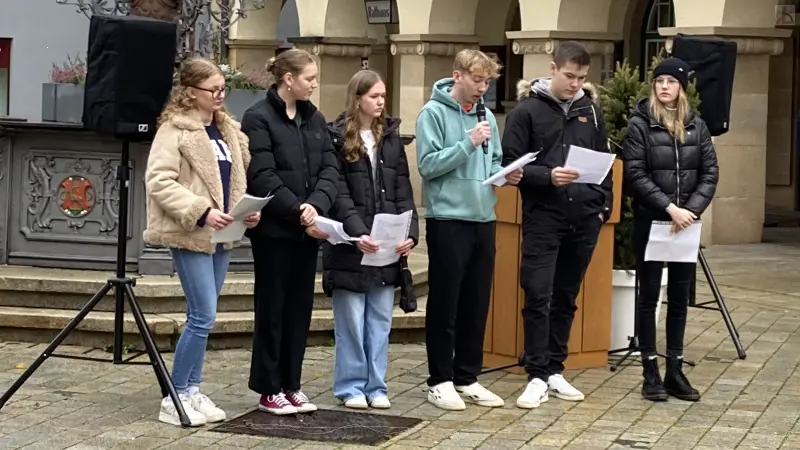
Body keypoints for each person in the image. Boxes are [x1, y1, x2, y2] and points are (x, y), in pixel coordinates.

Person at [144, 56, 260, 426]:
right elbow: (159, 180)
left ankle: (192, 389)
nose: (220, 95)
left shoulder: (229, 130)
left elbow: (233, 181)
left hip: (223, 233)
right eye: (214, 90)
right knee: (202, 315)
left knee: (205, 317)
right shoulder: (175, 130)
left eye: (224, 88)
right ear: (191, 93)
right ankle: (175, 395)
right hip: (191, 232)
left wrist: (246, 211)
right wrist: (200, 210)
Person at [501, 41, 613, 409]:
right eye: (569, 76)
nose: (575, 84)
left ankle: (554, 369)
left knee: (566, 295)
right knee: (538, 293)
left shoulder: (591, 112)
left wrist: (603, 207)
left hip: (584, 218)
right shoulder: (526, 112)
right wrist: (548, 176)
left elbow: (604, 162)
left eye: (581, 78)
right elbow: (510, 167)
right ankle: (535, 374)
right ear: (553, 68)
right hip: (543, 216)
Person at [416, 49, 522, 411]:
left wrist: (506, 174)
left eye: (487, 81)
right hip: (448, 219)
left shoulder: (486, 115)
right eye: (477, 80)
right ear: (458, 75)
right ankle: (439, 379)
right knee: (446, 301)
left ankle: (467, 376)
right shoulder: (432, 113)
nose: (483, 88)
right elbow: (428, 166)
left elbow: (493, 160)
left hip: (483, 217)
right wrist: (467, 144)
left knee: (477, 301)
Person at [241, 49, 338, 415]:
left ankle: (292, 384)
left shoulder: (315, 119)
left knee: (300, 309)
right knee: (273, 308)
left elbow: (330, 168)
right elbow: (263, 174)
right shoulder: (258, 118)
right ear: (288, 79)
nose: (314, 84)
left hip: (307, 231)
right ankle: (268, 388)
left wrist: (317, 205)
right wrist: (298, 209)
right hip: (275, 232)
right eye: (310, 78)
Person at [622, 57, 718, 402]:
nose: (665, 87)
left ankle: (675, 369)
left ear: (681, 88)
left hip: (685, 225)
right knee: (648, 297)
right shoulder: (640, 125)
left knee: (680, 298)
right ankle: (650, 370)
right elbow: (635, 173)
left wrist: (690, 211)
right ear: (653, 86)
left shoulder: (698, 126)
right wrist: (670, 208)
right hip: (654, 221)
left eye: (671, 82)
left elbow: (710, 172)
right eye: (660, 81)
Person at [323, 70, 419, 409]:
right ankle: (350, 385)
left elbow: (403, 189)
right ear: (358, 98)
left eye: (383, 95)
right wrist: (356, 231)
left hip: (386, 245)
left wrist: (410, 233)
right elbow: (337, 192)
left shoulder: (391, 138)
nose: (381, 101)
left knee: (380, 319)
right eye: (374, 96)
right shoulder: (336, 137)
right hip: (351, 244)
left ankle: (376, 385)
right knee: (350, 319)